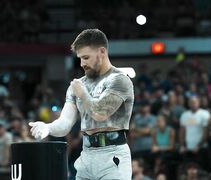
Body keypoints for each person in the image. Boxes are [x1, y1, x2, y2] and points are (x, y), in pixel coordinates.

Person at [29, 29, 134, 179]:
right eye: (79, 58)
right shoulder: (77, 86)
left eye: (86, 57)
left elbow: (100, 114)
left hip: (113, 155)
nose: (82, 63)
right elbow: (65, 124)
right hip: (86, 155)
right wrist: (48, 127)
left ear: (102, 52)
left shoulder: (119, 80)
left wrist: (83, 94)